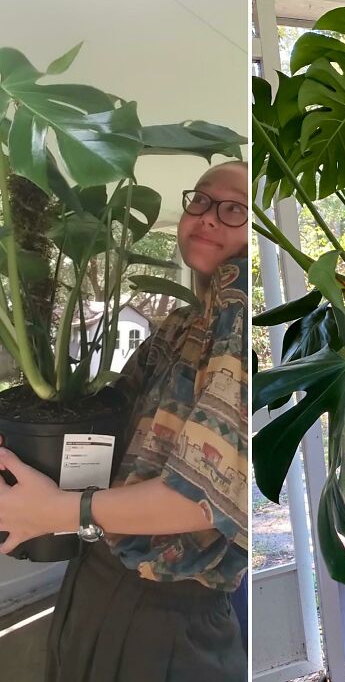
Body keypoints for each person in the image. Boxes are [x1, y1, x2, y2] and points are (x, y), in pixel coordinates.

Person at [0, 160, 248, 682]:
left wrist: (59, 511)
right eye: (199, 200)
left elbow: (201, 500)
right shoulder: (184, 322)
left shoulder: (237, 315)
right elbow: (107, 417)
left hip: (164, 614)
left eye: (236, 209)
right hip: (99, 576)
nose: (209, 217)